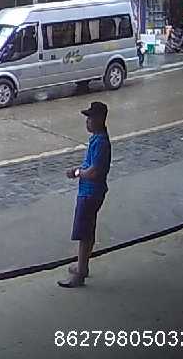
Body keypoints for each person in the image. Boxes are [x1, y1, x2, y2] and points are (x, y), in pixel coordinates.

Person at [59, 101, 112, 288]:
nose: (87, 122)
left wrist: (76, 173)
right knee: (88, 231)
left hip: (90, 193)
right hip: (92, 192)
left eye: (90, 118)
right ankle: (83, 266)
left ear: (100, 119)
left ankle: (80, 274)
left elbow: (94, 171)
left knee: (83, 234)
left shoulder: (101, 143)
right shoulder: (97, 139)